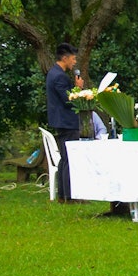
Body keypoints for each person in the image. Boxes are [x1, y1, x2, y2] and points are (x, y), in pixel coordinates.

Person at [46, 43, 84, 202]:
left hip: (62, 121)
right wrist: (78, 89)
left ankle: (63, 195)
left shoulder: (53, 73)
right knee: (70, 159)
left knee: (65, 159)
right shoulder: (59, 76)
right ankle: (70, 196)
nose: (74, 62)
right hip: (67, 121)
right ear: (65, 58)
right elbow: (68, 100)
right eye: (73, 59)